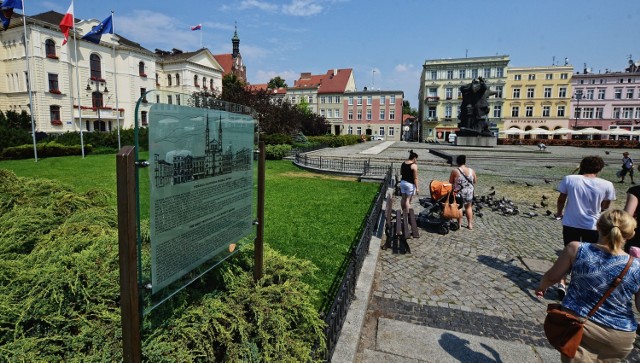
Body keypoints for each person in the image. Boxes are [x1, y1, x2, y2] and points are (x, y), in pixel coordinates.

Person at [535, 209, 640, 362]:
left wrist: (541, 287)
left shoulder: (576, 249)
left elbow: (552, 277)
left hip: (579, 327)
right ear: (630, 235)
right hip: (620, 338)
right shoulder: (637, 266)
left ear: (597, 226)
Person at [555, 155, 616, 299]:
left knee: (568, 253)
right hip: (593, 225)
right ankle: (581, 284)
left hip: (571, 223)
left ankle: (562, 282)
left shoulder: (570, 179)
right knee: (590, 256)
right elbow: (605, 205)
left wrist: (559, 213)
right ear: (600, 168)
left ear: (582, 166)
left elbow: (561, 199)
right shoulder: (607, 184)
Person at [449, 154, 476, 230]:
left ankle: (459, 224)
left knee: (459, 207)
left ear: (457, 162)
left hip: (459, 191)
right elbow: (475, 181)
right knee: (468, 207)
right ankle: (470, 224)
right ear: (465, 161)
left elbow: (450, 181)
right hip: (469, 192)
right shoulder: (471, 171)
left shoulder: (455, 171)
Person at [399, 150, 419, 214]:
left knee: (403, 198)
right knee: (408, 200)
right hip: (410, 184)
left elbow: (401, 173)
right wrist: (417, 188)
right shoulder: (414, 166)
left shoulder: (403, 163)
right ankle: (407, 215)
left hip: (402, 182)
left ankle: (403, 211)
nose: (416, 161)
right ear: (414, 158)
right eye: (416, 159)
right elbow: (415, 178)